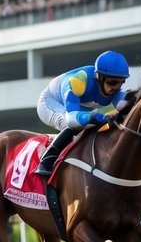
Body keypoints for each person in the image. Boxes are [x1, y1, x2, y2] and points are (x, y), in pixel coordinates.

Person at [33, 50, 130, 178]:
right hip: (51, 102)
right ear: (98, 77)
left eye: (120, 83)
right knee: (74, 127)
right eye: (112, 82)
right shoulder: (78, 81)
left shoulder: (114, 90)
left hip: (78, 107)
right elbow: (72, 119)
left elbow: (125, 108)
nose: (116, 88)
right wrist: (95, 116)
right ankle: (46, 160)